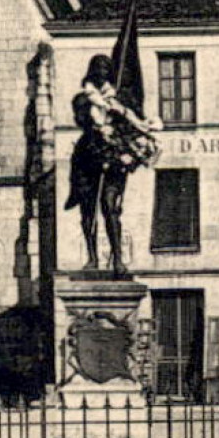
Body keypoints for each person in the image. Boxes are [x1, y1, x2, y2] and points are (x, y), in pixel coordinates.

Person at [64, 54, 160, 274]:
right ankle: (92, 258)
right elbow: (82, 121)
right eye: (96, 69)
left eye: (105, 69)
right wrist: (99, 114)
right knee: (88, 210)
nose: (101, 73)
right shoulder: (82, 99)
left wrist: (120, 111)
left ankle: (118, 259)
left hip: (115, 158)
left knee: (110, 206)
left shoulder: (122, 100)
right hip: (88, 156)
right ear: (90, 72)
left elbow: (134, 123)